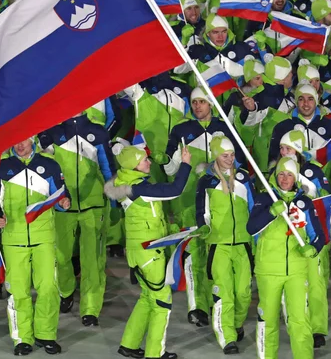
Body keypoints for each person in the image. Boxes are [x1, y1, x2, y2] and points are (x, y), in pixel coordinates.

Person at [161, 87, 244, 327]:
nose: (198, 106)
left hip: (220, 202)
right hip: (189, 201)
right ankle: (196, 306)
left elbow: (237, 162)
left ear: (211, 104)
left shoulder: (225, 127)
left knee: (215, 257)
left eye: (202, 102)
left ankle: (215, 300)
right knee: (194, 256)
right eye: (194, 102)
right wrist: (169, 159)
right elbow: (169, 169)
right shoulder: (181, 130)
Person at [104, 145, 191, 359]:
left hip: (139, 250)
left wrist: (171, 231)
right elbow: (175, 190)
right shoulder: (140, 189)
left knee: (147, 298)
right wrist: (186, 164)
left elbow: (146, 218)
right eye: (144, 160)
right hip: (149, 253)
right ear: (134, 165)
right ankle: (154, 353)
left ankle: (129, 345)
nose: (149, 162)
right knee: (162, 303)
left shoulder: (125, 182)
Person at [0, 136, 70, 355]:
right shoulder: (1, 167)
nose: (19, 144)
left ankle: (46, 335)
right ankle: (22, 338)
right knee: (18, 291)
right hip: (13, 238)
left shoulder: (49, 164)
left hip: (43, 236)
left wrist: (64, 203)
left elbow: (62, 196)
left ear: (33, 139)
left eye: (24, 139)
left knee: (48, 288)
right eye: (15, 140)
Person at [38, 111, 114, 324]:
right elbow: (44, 165)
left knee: (92, 260)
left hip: (94, 205)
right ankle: (66, 290)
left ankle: (90, 309)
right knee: (61, 257)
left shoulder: (98, 132)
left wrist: (117, 201)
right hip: (63, 205)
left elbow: (108, 167)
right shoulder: (53, 132)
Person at [247, 156, 324, 359]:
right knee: (268, 320)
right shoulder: (264, 199)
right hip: (268, 270)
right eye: (281, 173)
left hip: (297, 271)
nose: (284, 178)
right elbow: (251, 228)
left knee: (299, 321)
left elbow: (320, 236)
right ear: (275, 176)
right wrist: (271, 212)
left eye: (289, 174)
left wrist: (313, 248)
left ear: (295, 177)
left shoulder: (304, 202)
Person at [195, 135, 254, 354]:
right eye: (224, 155)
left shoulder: (244, 178)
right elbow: (200, 211)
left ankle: (237, 324)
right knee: (224, 293)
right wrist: (203, 227)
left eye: (232, 155)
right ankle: (227, 337)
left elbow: (252, 208)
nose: (229, 159)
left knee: (244, 293)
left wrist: (256, 237)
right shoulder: (206, 181)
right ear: (215, 156)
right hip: (218, 245)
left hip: (243, 244)